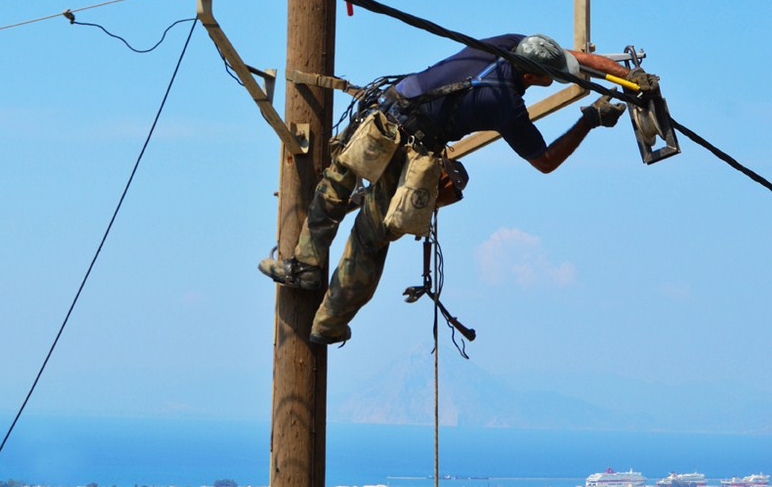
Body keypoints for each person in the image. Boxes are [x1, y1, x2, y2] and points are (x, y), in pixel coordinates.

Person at [259, 33, 648, 345]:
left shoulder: (510, 42)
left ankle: (306, 265)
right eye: (549, 77)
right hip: (408, 147)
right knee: (370, 237)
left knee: (333, 188)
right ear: (530, 76)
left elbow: (576, 57)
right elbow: (544, 161)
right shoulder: (505, 104)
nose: (553, 80)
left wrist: (627, 79)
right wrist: (590, 120)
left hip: (385, 115)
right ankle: (326, 325)